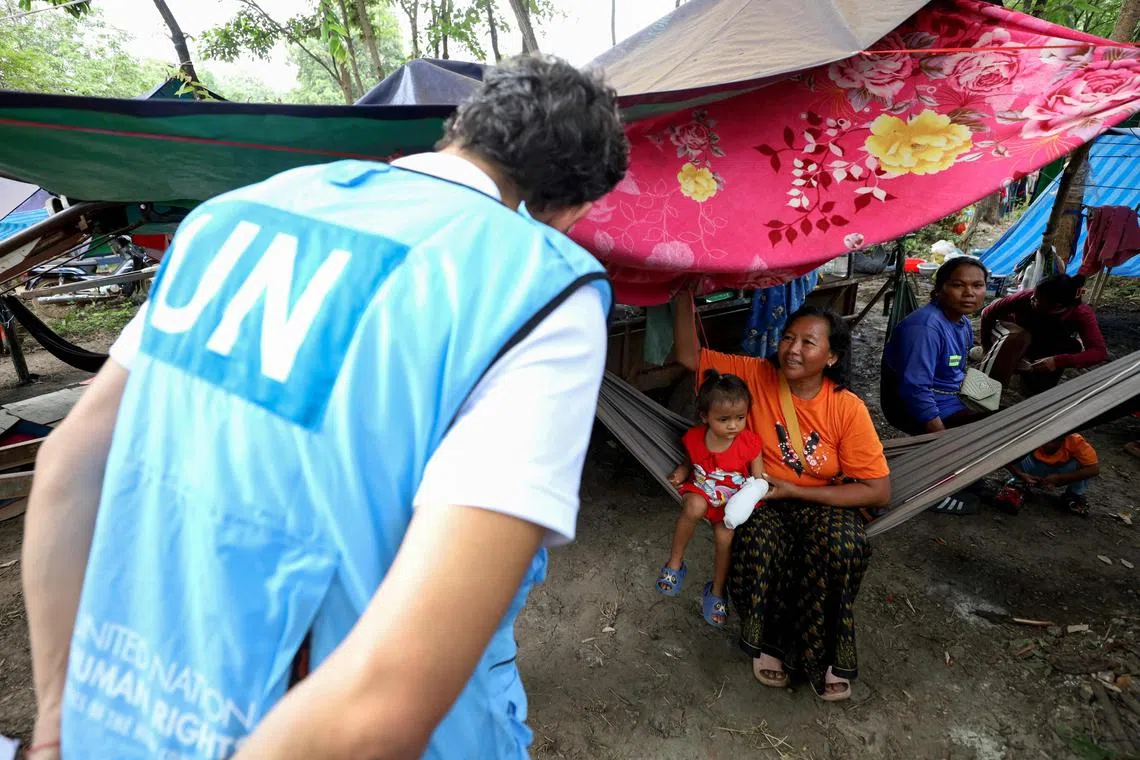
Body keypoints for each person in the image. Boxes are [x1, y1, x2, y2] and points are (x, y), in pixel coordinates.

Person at [21, 56, 629, 760]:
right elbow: (384, 704)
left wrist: (60, 721)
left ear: (460, 128)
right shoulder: (538, 287)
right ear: (572, 209)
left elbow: (70, 462)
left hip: (131, 711)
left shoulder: (235, 215)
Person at [673, 294, 891, 702]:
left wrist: (797, 490)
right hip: (763, 496)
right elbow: (688, 355)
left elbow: (877, 489)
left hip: (822, 499)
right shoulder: (755, 374)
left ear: (832, 356)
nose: (792, 348)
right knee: (758, 541)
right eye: (788, 337)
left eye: (808, 342)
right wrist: (685, 294)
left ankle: (826, 655)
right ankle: (769, 643)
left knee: (842, 546)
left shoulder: (847, 408)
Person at [658, 370, 764, 629]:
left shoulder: (749, 443)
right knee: (694, 506)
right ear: (705, 416)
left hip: (732, 501)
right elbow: (689, 462)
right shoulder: (695, 437)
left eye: (740, 418)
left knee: (724, 537)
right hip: (703, 490)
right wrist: (682, 471)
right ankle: (675, 563)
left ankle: (717, 589)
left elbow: (758, 480)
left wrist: (751, 498)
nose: (733, 425)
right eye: (724, 419)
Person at [881, 257, 989, 436]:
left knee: (1010, 416)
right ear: (939, 289)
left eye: (978, 285)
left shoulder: (963, 322)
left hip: (951, 395)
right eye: (958, 285)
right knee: (995, 430)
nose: (969, 293)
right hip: (924, 408)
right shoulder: (925, 328)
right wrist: (940, 438)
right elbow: (915, 389)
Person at [980, 273, 1107, 396]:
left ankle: (1024, 365)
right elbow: (987, 313)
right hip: (1011, 332)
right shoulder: (1024, 297)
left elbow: (1099, 352)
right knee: (1019, 336)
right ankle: (988, 388)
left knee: (1070, 347)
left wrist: (1057, 361)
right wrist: (986, 346)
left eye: (1036, 299)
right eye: (1033, 294)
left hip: (1040, 338)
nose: (1032, 298)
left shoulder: (1081, 314)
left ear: (1056, 307)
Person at [996, 433, 1100, 516]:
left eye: (1054, 442)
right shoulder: (1032, 433)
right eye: (1047, 441)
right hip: (1030, 469)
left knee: (1085, 464)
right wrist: (1019, 474)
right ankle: (1018, 484)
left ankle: (1073, 495)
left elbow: (1094, 469)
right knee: (1014, 454)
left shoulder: (1075, 440)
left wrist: (1060, 478)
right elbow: (1000, 455)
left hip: (1060, 472)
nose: (1048, 445)